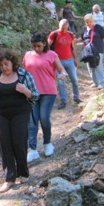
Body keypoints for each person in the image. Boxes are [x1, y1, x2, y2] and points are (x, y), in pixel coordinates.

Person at [0, 49, 40, 193]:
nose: (4, 67)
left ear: (13, 63)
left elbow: (35, 95)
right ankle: (9, 178)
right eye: (1, 65)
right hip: (1, 114)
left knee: (18, 141)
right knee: (5, 143)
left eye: (6, 64)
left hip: (20, 112)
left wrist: (25, 91)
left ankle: (23, 173)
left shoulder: (24, 76)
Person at [23, 33, 68, 163]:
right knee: (32, 121)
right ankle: (32, 149)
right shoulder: (27, 55)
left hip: (48, 91)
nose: (37, 48)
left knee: (44, 117)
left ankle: (47, 143)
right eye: (34, 46)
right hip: (31, 92)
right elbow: (24, 72)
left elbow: (62, 70)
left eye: (39, 46)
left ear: (44, 43)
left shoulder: (52, 55)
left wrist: (62, 75)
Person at [47, 19, 82, 109]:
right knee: (61, 82)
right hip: (58, 61)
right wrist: (48, 59)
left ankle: (76, 97)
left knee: (74, 79)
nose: (64, 30)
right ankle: (63, 100)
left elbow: (73, 48)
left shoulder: (70, 34)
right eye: (63, 28)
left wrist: (75, 59)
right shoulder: (54, 34)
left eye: (66, 28)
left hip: (69, 60)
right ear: (59, 26)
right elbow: (47, 47)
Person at [80, 14, 104, 90]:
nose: (88, 23)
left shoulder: (98, 28)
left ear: (93, 20)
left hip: (98, 49)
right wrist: (74, 41)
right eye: (86, 22)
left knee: (98, 66)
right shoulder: (84, 29)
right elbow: (82, 38)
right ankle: (95, 82)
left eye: (89, 21)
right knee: (90, 66)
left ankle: (102, 83)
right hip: (88, 51)